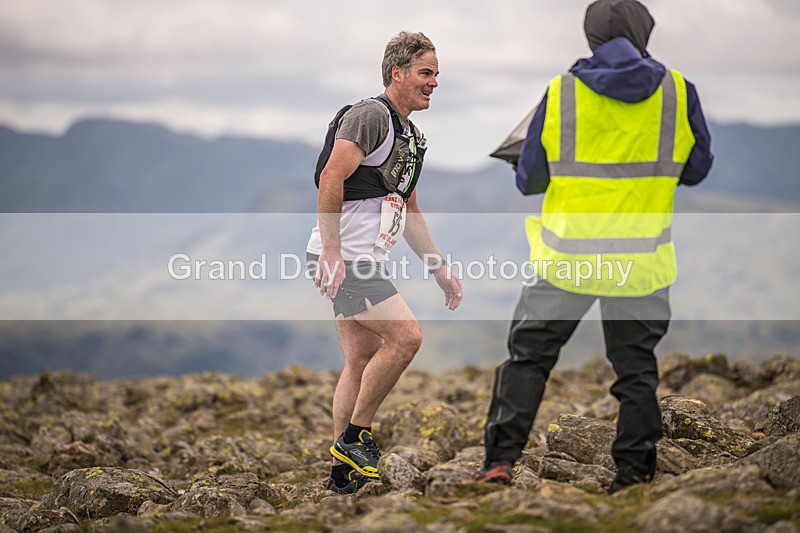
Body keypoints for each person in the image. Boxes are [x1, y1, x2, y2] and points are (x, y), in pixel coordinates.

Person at [474, 0, 713, 493]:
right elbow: (696, 169)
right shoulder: (678, 92)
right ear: (643, 31)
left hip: (568, 259)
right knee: (635, 369)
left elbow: (530, 181)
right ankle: (632, 473)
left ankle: (499, 463)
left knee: (529, 359)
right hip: (641, 261)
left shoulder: (562, 92)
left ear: (592, 38)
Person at [306, 31, 463, 494]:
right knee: (406, 337)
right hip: (346, 256)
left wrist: (438, 268)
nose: (434, 82)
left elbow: (409, 210)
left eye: (436, 74)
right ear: (397, 73)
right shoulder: (371, 115)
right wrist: (332, 249)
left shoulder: (411, 137)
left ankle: (341, 475)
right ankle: (357, 438)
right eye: (425, 73)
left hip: (361, 256)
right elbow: (332, 177)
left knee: (359, 361)